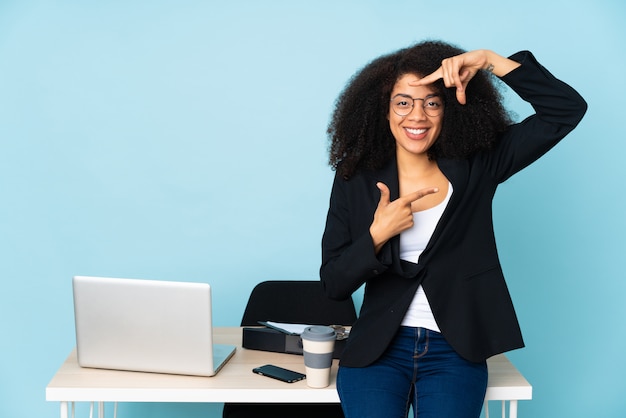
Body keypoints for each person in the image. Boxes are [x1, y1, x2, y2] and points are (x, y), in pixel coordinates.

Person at [320, 40, 587, 418]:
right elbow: (333, 282)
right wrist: (377, 236)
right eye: (403, 102)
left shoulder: (480, 164)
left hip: (455, 349)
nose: (417, 116)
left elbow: (565, 110)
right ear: (384, 110)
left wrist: (491, 61)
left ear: (448, 109)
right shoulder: (355, 177)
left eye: (432, 102)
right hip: (379, 349)